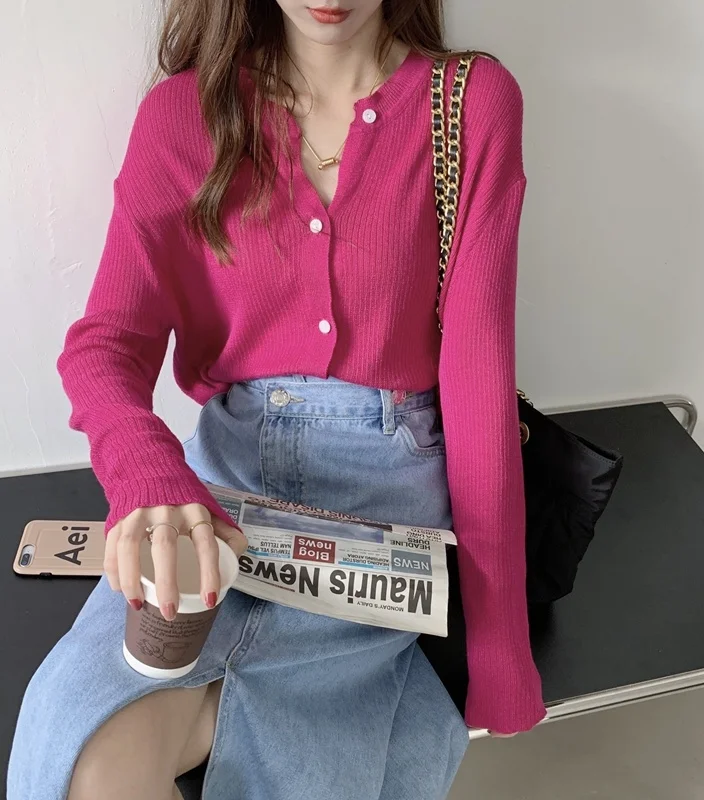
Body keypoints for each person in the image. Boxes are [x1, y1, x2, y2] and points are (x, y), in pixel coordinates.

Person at [8, 1, 546, 798]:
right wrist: (149, 479)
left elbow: (478, 382)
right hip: (222, 488)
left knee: (300, 764)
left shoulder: (470, 104)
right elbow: (107, 344)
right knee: (86, 760)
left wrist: (500, 649)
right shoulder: (183, 116)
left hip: (384, 497)